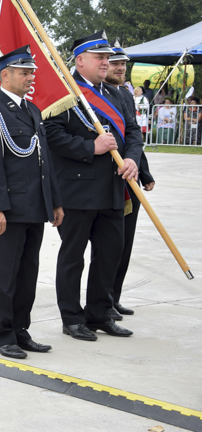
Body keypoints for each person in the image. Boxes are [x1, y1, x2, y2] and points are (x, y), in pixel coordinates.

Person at [44, 30, 142, 341]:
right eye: (99, 57)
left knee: (109, 253)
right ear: (80, 60)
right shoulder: (64, 92)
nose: (106, 62)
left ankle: (100, 312)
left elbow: (133, 132)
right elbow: (51, 134)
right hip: (77, 190)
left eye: (107, 58)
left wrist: (132, 159)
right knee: (73, 256)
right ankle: (72, 317)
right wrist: (92, 147)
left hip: (114, 188)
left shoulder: (117, 94)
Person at [0, 46, 64, 359]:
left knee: (27, 272)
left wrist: (54, 202)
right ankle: (2, 336)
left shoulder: (32, 110)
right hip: (9, 209)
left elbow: (44, 161)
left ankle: (20, 330)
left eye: (31, 72)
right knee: (3, 275)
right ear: (5, 74)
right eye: (24, 72)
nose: (30, 78)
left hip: (34, 206)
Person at [105, 41, 155, 319]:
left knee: (123, 244)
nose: (120, 67)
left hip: (129, 179)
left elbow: (132, 137)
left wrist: (144, 172)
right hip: (104, 182)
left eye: (123, 63)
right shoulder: (91, 94)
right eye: (114, 63)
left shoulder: (124, 95)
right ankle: (99, 301)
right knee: (107, 247)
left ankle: (114, 297)